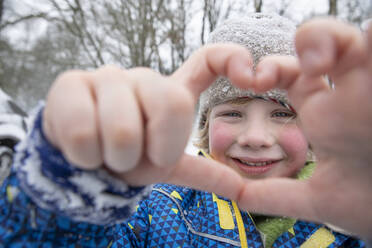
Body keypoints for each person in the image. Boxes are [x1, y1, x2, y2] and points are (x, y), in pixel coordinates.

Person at [0, 13, 371, 247]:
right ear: (205, 126)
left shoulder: (353, 220)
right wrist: (71, 189)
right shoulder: (153, 212)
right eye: (233, 114)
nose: (256, 137)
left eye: (282, 114)